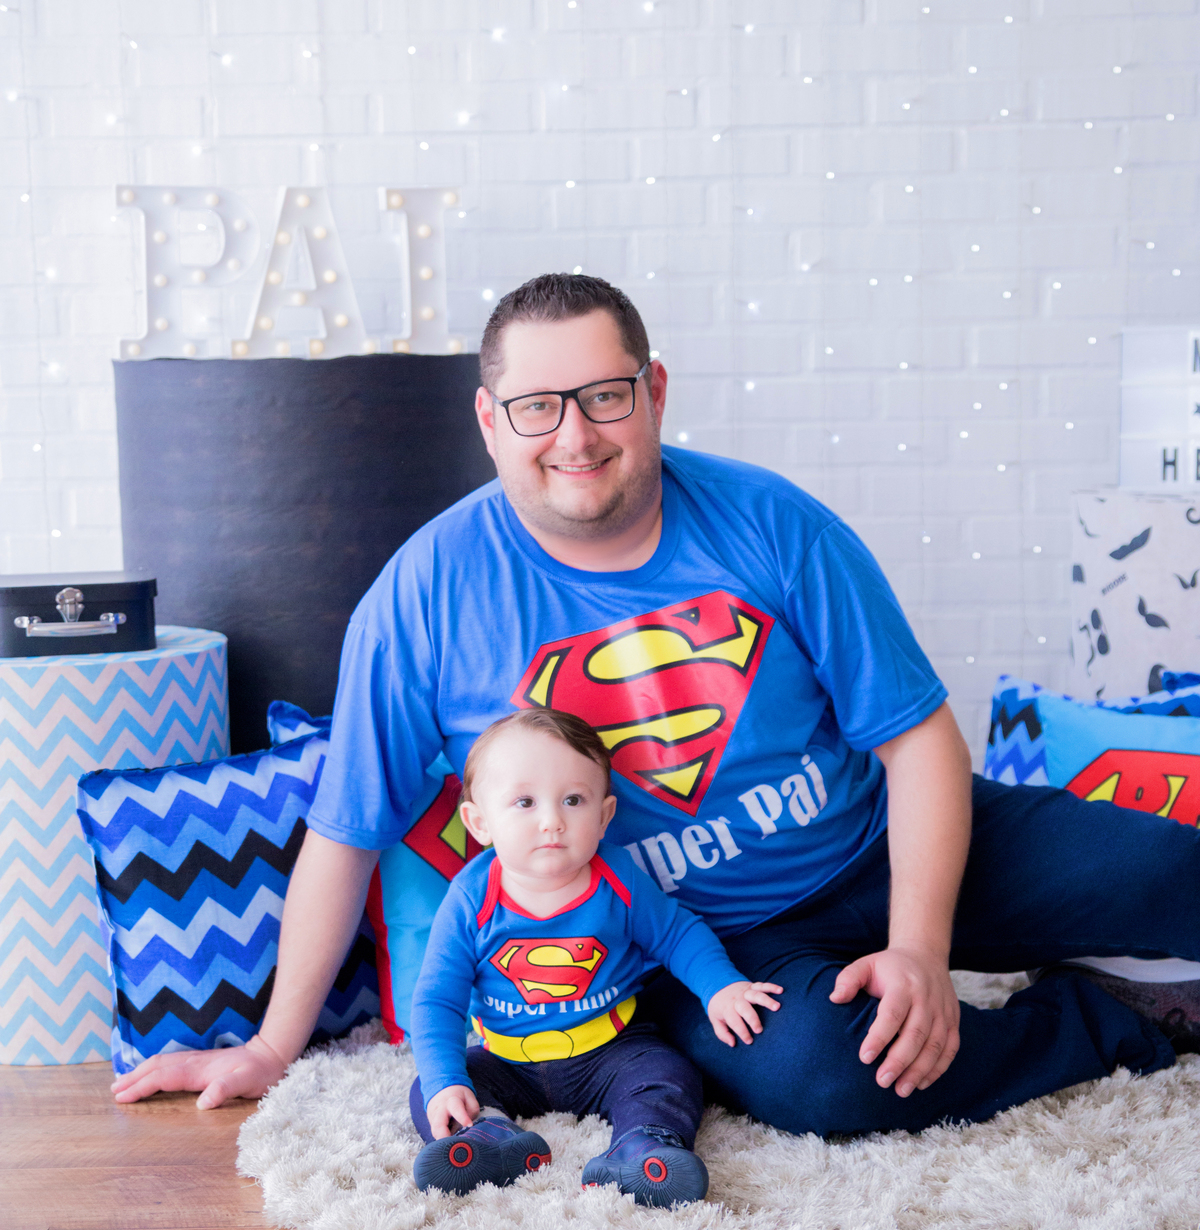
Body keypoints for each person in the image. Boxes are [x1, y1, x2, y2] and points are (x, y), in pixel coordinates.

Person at [114, 272, 1200, 1133]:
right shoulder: (423, 598)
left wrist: (918, 943)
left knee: (1172, 869)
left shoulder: (775, 524)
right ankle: (1113, 1015)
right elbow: (346, 832)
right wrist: (268, 1047)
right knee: (835, 1085)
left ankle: (1000, 957)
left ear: (655, 392)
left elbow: (917, 743)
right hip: (700, 944)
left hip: (882, 844)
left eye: (604, 395)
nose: (575, 436)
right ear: (490, 421)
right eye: (538, 407)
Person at [407, 705, 780, 1205]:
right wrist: (445, 1083)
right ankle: (486, 1136)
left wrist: (721, 986)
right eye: (524, 802)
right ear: (479, 823)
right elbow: (437, 1001)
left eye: (573, 800)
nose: (552, 821)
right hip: (507, 1058)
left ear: (604, 815)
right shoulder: (472, 899)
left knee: (668, 1076)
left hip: (611, 1050)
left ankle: (642, 1148)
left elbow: (677, 934)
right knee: (432, 1088)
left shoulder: (617, 880)